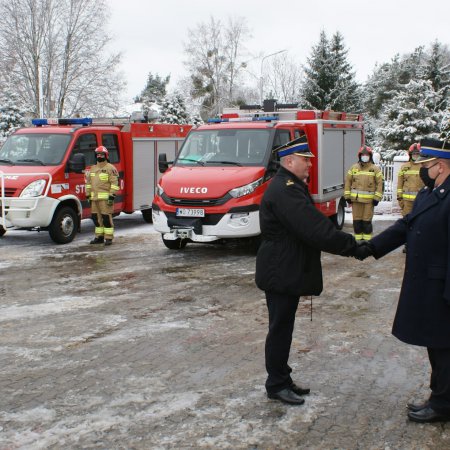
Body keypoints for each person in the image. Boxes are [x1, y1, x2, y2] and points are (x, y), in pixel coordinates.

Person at [255, 135, 364, 405]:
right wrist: (353, 246)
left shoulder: (288, 185)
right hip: (280, 270)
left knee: (283, 326)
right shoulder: (285, 189)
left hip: (283, 267)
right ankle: (276, 384)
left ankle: (282, 377)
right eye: (306, 161)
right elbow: (315, 228)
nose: (310, 166)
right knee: (280, 328)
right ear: (289, 161)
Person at [358, 137, 450, 423]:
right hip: (426, 282)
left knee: (445, 346)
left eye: (425, 165)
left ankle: (444, 404)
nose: (421, 170)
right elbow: (404, 226)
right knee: (435, 345)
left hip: (442, 286)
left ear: (441, 166)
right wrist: (370, 248)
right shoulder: (428, 193)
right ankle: (439, 396)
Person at [344, 145, 384, 240]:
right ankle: (358, 242)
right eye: (363, 155)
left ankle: (367, 243)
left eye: (367, 155)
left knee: (366, 223)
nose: (365, 156)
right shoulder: (353, 168)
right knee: (357, 223)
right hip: (356, 201)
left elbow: (380, 184)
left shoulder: (375, 169)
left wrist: (377, 198)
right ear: (360, 156)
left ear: (370, 156)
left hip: (369, 202)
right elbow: (348, 182)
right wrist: (347, 196)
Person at [85, 146, 119, 246]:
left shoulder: (110, 168)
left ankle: (108, 238)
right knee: (96, 218)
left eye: (101, 154)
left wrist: (112, 196)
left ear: (106, 155)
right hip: (94, 199)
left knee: (106, 218)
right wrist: (88, 195)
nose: (99, 156)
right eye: (98, 154)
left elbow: (114, 183)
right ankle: (99, 237)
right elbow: (88, 183)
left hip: (105, 199)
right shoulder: (92, 168)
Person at [397, 143, 424, 216]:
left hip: (420, 201)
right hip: (407, 202)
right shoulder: (404, 167)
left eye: (417, 153)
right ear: (410, 154)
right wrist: (399, 198)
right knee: (407, 223)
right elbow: (399, 184)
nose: (415, 155)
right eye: (413, 153)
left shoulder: (424, 166)